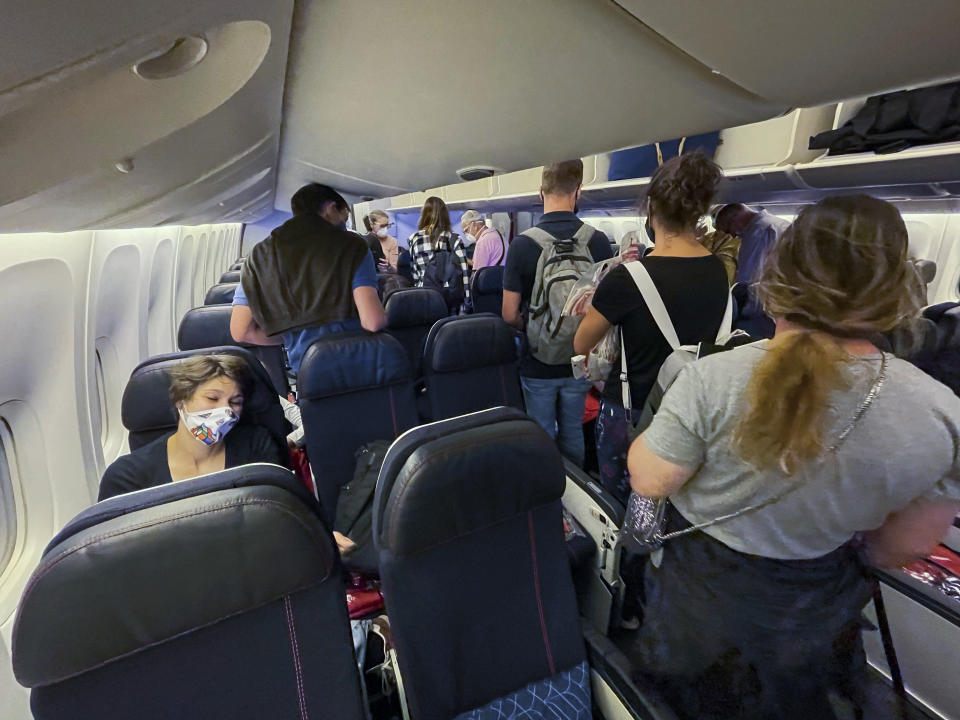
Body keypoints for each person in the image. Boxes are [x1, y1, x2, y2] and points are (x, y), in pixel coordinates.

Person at [625, 195, 960, 719]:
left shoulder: (710, 379)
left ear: (778, 275)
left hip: (701, 606)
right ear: (898, 286)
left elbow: (651, 479)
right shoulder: (942, 413)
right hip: (812, 610)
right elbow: (901, 545)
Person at [574, 153, 729, 504]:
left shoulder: (627, 278)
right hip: (691, 411)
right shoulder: (719, 271)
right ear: (700, 209)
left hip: (632, 412)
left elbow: (581, 342)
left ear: (651, 209)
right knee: (670, 500)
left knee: (621, 503)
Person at [502, 159, 612, 466]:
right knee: (573, 432)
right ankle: (576, 500)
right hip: (580, 361)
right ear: (578, 190)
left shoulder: (522, 245)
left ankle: (550, 497)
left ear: (541, 193)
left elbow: (509, 313)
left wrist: (537, 325)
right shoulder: (598, 241)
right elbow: (605, 307)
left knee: (541, 433)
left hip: (538, 364)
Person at [230, 183, 387, 376]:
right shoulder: (353, 245)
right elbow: (373, 321)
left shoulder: (258, 256)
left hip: (308, 369)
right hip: (362, 364)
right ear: (331, 208)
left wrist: (292, 337)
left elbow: (241, 331)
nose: (346, 219)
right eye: (345, 212)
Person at [98, 355, 289, 501]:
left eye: (235, 402)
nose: (225, 410)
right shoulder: (128, 475)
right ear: (181, 401)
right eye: (212, 398)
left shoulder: (256, 447)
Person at [408, 196, 471, 312]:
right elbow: (464, 274)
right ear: (445, 215)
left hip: (424, 297)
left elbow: (414, 274)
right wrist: (467, 302)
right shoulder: (454, 239)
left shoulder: (414, 239)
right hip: (449, 299)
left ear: (424, 215)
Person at [714, 202, 790, 285]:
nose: (733, 235)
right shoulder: (779, 223)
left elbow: (748, 277)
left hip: (767, 292)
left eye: (728, 230)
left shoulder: (757, 233)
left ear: (734, 220)